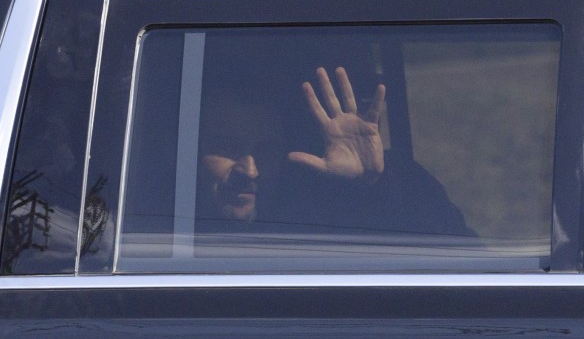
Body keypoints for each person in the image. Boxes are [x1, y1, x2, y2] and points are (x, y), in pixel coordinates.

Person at [199, 66, 472, 238]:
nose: (250, 169)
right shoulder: (160, 232)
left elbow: (460, 260)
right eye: (228, 148)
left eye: (266, 151)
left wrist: (373, 187)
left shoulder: (317, 219)